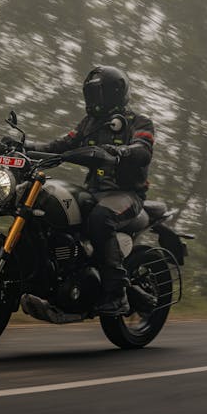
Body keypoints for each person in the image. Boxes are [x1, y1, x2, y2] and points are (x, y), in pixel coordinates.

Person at [28, 65, 155, 316]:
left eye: (98, 94)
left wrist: (122, 152)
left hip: (127, 194)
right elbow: (60, 145)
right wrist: (24, 146)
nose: (92, 100)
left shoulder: (139, 122)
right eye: (90, 94)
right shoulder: (89, 124)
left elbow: (143, 149)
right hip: (95, 192)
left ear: (115, 93)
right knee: (50, 211)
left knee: (100, 218)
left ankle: (117, 294)